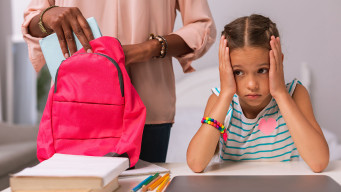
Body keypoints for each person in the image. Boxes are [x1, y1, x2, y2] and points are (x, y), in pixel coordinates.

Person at [22, 0, 216, 162]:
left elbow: (202, 26)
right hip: (74, 108)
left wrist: (146, 49)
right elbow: (31, 22)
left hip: (147, 106)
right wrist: (46, 17)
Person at [187, 14, 329, 173]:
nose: (252, 85)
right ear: (225, 69)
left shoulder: (294, 94)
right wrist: (226, 93)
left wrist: (281, 94)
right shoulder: (220, 100)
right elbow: (196, 164)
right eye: (239, 72)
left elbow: (319, 162)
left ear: (278, 62)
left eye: (262, 70)